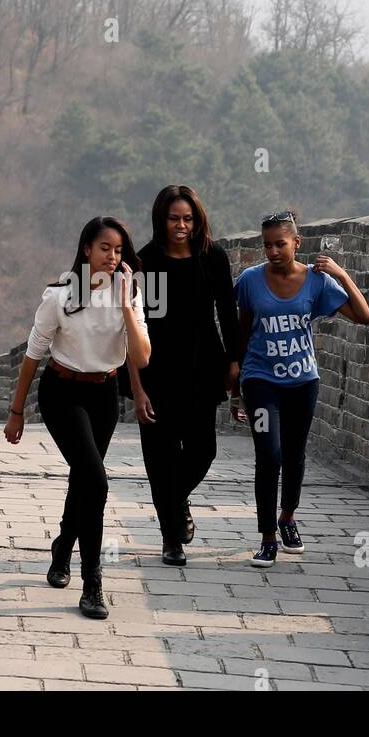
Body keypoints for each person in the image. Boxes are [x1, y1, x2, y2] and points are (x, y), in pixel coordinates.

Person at [4, 217, 151, 618]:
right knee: (97, 481)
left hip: (104, 395)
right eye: (105, 248)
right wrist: (17, 412)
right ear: (87, 248)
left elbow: (141, 357)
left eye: (119, 250)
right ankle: (92, 583)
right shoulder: (60, 295)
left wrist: (125, 304)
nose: (113, 256)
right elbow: (33, 355)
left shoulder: (132, 293)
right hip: (62, 393)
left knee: (84, 477)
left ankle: (63, 545)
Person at [231, 210, 369, 567]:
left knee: (294, 455)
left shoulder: (317, 281)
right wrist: (235, 387)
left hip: (302, 383)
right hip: (260, 381)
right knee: (269, 457)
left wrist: (341, 274)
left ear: (297, 242)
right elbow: (242, 333)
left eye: (280, 243)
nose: (273, 251)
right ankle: (267, 539)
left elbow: (364, 316)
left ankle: (287, 517)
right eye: (267, 245)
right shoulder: (250, 281)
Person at [127, 185, 242, 567]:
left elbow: (228, 312)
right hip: (156, 372)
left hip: (202, 369)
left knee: (202, 450)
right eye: (174, 218)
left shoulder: (213, 258)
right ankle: (170, 539)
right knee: (159, 458)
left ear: (197, 220)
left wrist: (234, 361)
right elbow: (132, 331)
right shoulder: (145, 264)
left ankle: (175, 501)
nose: (181, 225)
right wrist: (137, 388)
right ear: (161, 220)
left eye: (188, 218)